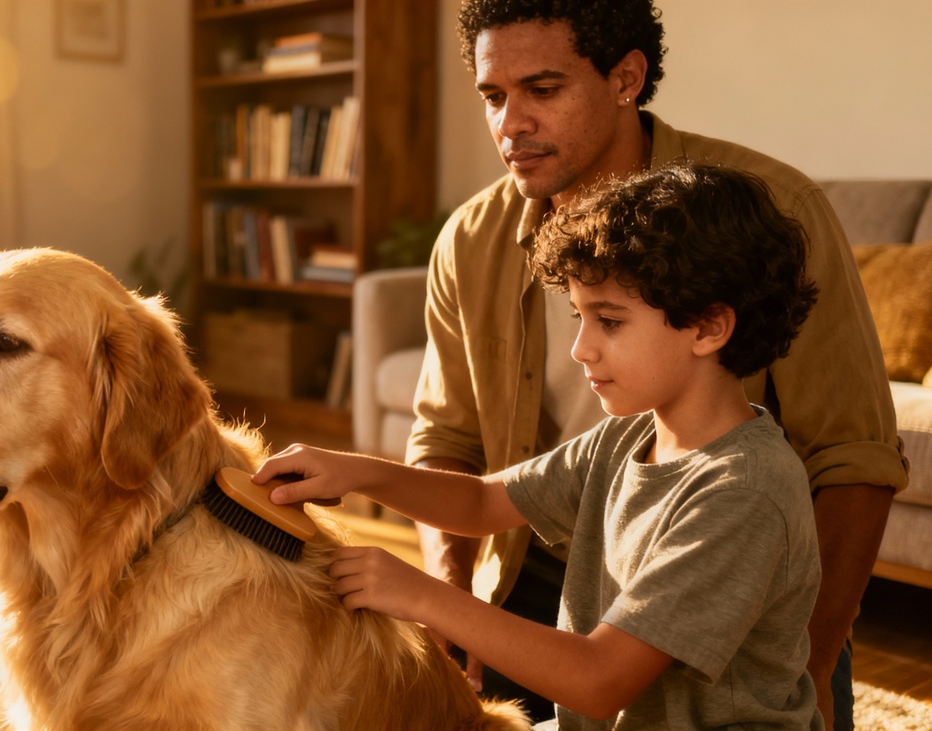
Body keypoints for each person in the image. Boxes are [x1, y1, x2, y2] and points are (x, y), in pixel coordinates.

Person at [407, 2, 907, 727]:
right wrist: (448, 602)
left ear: (626, 78)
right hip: (543, 572)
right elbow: (447, 443)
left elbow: (855, 457)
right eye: (492, 96)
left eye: (542, 89)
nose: (509, 124)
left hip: (729, 585)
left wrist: (812, 663)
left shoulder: (775, 210)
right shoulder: (469, 240)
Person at [256, 162, 825, 729]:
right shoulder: (627, 437)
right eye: (580, 317)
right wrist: (358, 473)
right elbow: (483, 503)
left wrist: (422, 596)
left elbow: (599, 682)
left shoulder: (744, 490)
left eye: (609, 322)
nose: (580, 349)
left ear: (708, 327)